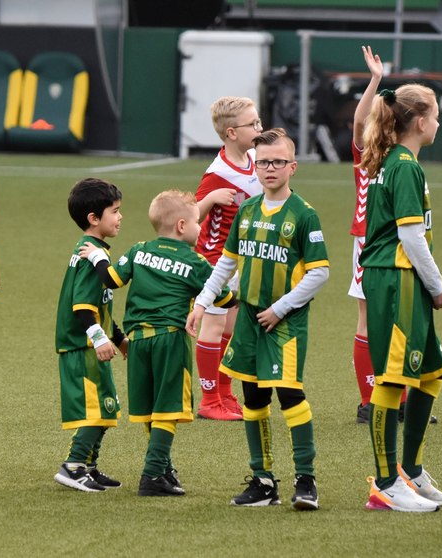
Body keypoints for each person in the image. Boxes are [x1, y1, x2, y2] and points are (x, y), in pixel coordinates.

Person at [187, 129, 329, 511]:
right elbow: (227, 264)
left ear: (292, 167)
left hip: (284, 322)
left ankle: (306, 481)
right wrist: (202, 302)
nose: (270, 168)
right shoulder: (247, 211)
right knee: (252, 396)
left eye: (278, 162)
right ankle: (263, 480)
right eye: (263, 162)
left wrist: (281, 307)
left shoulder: (303, 214)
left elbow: (319, 272)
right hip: (249, 319)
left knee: (290, 395)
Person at [81, 190, 234, 496]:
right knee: (168, 407)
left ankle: (163, 469)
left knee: (153, 408)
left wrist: (98, 256)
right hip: (169, 339)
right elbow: (226, 298)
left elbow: (111, 279)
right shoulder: (195, 261)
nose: (200, 227)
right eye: (196, 222)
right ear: (181, 226)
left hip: (137, 342)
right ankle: (152, 474)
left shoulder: (139, 250)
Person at [358, 84, 442, 512]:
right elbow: (411, 237)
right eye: (434, 114)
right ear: (419, 121)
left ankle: (409, 469)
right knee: (392, 379)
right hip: (396, 279)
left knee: (432, 369)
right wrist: (437, 286)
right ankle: (385, 483)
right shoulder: (403, 165)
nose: (438, 122)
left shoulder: (397, 160)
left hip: (399, 278)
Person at [349, 47, 437, 426]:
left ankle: (398, 394)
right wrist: (375, 82)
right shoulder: (376, 155)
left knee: (398, 320)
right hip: (372, 244)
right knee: (370, 320)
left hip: (395, 247)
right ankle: (372, 398)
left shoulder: (400, 158)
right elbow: (358, 123)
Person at [54, 178, 127, 493]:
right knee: (95, 409)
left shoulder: (94, 251)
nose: (120, 217)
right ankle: (73, 466)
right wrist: (99, 338)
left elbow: (102, 303)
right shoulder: (90, 255)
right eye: (115, 211)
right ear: (94, 219)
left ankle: (89, 466)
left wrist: (119, 338)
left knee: (107, 407)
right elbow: (82, 307)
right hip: (81, 344)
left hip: (92, 342)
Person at [193, 97, 264, 421]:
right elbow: (190, 216)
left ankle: (224, 392)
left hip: (239, 261)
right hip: (213, 261)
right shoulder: (218, 173)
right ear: (232, 133)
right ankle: (209, 400)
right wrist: (210, 199)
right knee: (214, 325)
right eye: (254, 124)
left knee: (232, 328)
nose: (259, 128)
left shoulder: (252, 159)